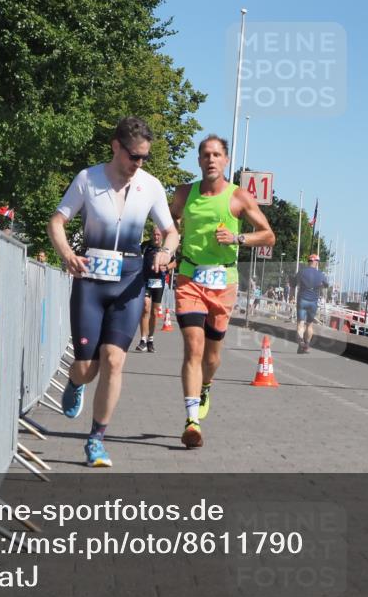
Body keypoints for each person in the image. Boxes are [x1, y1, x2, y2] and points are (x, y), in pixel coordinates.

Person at [47, 116, 179, 467]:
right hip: (91, 280)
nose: (138, 164)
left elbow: (171, 231)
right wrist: (67, 255)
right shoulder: (88, 179)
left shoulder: (150, 186)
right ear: (116, 147)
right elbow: (57, 221)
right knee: (87, 368)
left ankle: (96, 440)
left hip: (129, 282)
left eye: (144, 158)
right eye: (133, 156)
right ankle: (76, 383)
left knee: (115, 360)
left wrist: (166, 252)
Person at [170, 135, 275, 448]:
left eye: (217, 154)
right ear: (199, 160)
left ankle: (206, 385)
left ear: (226, 160)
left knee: (212, 358)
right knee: (193, 347)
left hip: (223, 283)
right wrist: (168, 244)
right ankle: (192, 421)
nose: (211, 159)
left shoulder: (238, 197)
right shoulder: (184, 193)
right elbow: (170, 221)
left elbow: (268, 235)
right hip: (189, 276)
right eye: (205, 154)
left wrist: (237, 239)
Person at [135, 228, 175, 353]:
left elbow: (175, 263)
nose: (156, 237)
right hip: (145, 281)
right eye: (154, 234)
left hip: (159, 282)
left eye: (158, 234)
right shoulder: (145, 246)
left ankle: (150, 340)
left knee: (154, 312)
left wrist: (166, 267)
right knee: (145, 307)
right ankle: (142, 340)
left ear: (162, 236)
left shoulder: (167, 248)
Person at [294, 253, 329, 354]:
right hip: (313, 301)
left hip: (302, 299)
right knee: (309, 325)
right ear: (316, 262)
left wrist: (291, 297)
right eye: (317, 261)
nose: (318, 263)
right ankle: (307, 345)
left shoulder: (301, 272)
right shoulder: (321, 274)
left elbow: (293, 285)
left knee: (300, 323)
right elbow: (325, 286)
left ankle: (301, 342)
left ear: (309, 261)